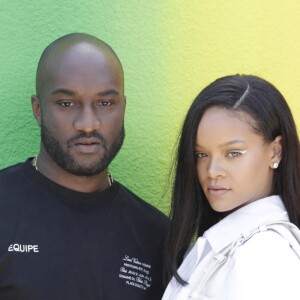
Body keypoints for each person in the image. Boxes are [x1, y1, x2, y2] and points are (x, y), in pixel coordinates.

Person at [0, 33, 169, 300]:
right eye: (67, 104)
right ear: (38, 109)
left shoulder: (157, 236)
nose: (88, 123)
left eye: (105, 103)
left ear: (123, 108)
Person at [162, 74, 300, 300]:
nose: (212, 170)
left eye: (233, 153)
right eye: (201, 154)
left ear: (275, 151)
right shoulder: (228, 245)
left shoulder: (265, 255)